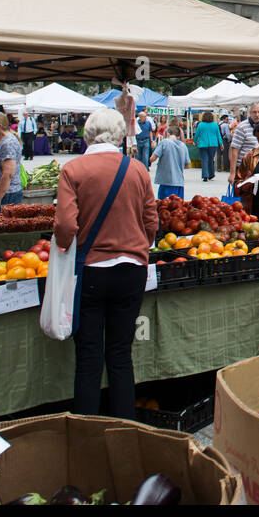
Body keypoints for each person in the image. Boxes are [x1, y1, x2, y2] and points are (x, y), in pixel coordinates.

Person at [53, 108, 158, 419]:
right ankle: (125, 427)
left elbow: (65, 227)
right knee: (120, 354)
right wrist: (138, 242)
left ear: (87, 134)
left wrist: (65, 247)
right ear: (119, 134)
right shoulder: (137, 169)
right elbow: (151, 221)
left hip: (92, 272)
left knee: (88, 356)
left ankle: (86, 429)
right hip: (132, 270)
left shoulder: (73, 170)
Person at [150, 122, 190, 199]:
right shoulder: (183, 146)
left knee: (164, 207)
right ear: (178, 136)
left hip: (166, 182)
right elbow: (187, 165)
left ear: (167, 134)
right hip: (179, 183)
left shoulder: (164, 142)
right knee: (178, 207)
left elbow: (152, 159)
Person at [228, 101, 259, 182]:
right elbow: (234, 151)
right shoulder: (242, 127)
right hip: (243, 169)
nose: (257, 115)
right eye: (254, 112)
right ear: (250, 113)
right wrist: (232, 173)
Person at [194, 111, 221, 182]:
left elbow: (197, 134)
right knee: (211, 159)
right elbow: (218, 135)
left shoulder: (200, 125)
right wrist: (221, 143)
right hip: (213, 144)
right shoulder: (215, 125)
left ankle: (205, 175)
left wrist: (195, 141)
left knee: (204, 160)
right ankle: (211, 174)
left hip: (203, 144)